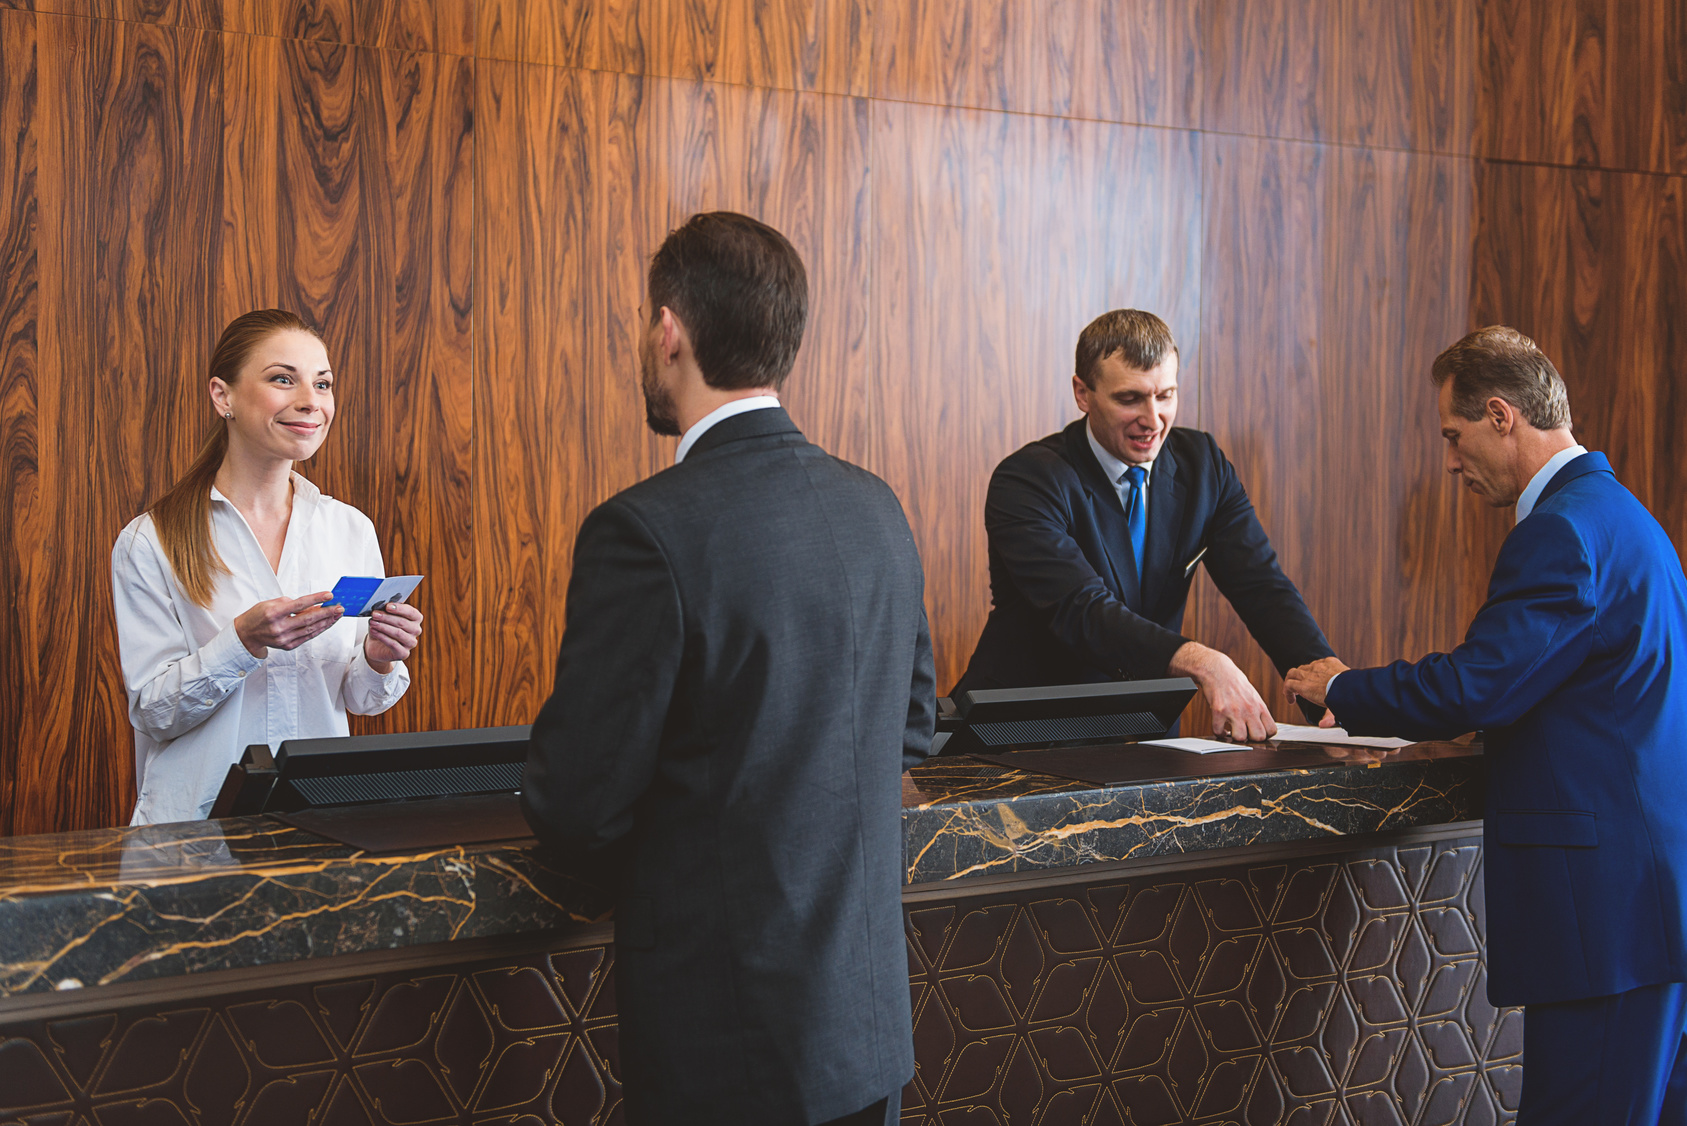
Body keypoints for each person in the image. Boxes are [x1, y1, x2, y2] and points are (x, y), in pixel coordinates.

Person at [522, 212, 935, 1126]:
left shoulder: (643, 531)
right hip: (866, 1029)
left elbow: (577, 805)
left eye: (647, 321)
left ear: (669, 331)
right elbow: (911, 731)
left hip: (726, 1037)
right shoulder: (875, 507)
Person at [1285, 327, 1687, 1123]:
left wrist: (1342, 688)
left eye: (1452, 434)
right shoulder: (1625, 517)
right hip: (1646, 904)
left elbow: (1478, 686)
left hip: (1605, 915)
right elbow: (1582, 690)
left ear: (1500, 416)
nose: (1449, 461)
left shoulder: (1562, 530)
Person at [954, 309, 1333, 739]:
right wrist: (1203, 661)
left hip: (1144, 731)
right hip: (1022, 732)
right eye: (1129, 399)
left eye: (1166, 396)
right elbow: (1081, 610)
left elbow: (1263, 588)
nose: (1153, 420)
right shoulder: (1027, 479)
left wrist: (1332, 689)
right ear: (1083, 393)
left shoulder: (1203, 465)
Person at [112, 310, 423, 824]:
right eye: (283, 379)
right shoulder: (151, 541)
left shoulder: (349, 529)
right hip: (196, 834)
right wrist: (242, 642)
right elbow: (153, 712)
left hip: (320, 824)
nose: (311, 401)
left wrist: (378, 657)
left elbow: (362, 700)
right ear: (223, 396)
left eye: (322, 383)